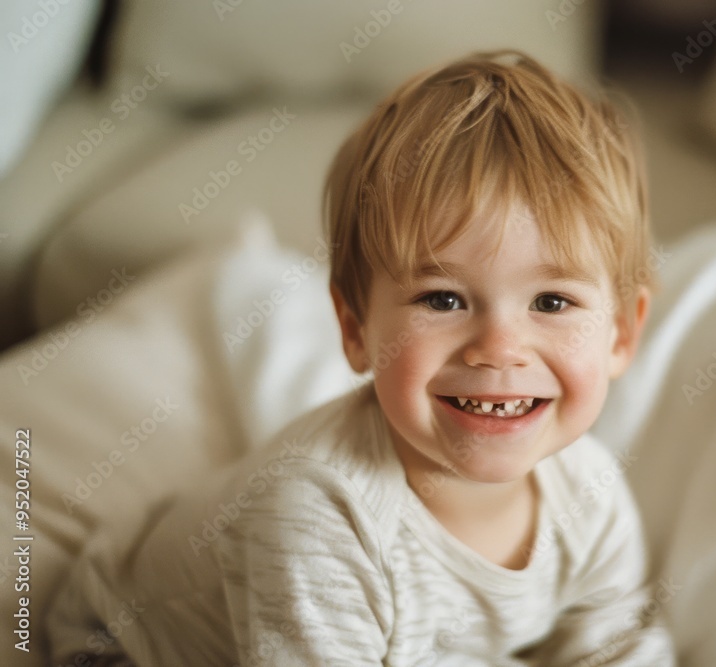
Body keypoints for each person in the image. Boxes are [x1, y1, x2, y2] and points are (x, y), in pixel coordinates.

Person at [47, 50, 674, 665]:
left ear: (620, 334)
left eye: (553, 302)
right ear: (354, 329)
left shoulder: (589, 492)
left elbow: (617, 639)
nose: (500, 349)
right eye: (444, 297)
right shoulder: (316, 522)